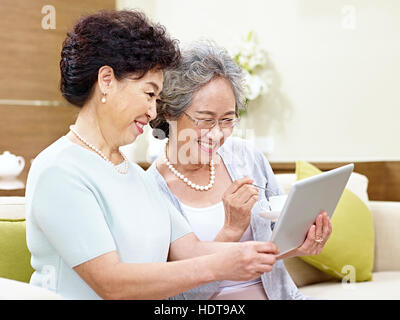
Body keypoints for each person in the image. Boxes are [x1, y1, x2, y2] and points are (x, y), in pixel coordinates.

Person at [25, 10, 280, 300]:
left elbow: (192, 251)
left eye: (157, 99)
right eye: (149, 95)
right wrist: (220, 266)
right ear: (107, 80)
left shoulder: (135, 175)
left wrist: (266, 250)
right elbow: (112, 283)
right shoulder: (59, 171)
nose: (153, 112)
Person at [147, 41, 332, 300]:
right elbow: (182, 295)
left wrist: (301, 244)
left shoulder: (246, 157)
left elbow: (273, 244)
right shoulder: (151, 189)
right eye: (205, 120)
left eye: (227, 120)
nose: (217, 134)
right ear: (169, 112)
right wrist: (231, 231)